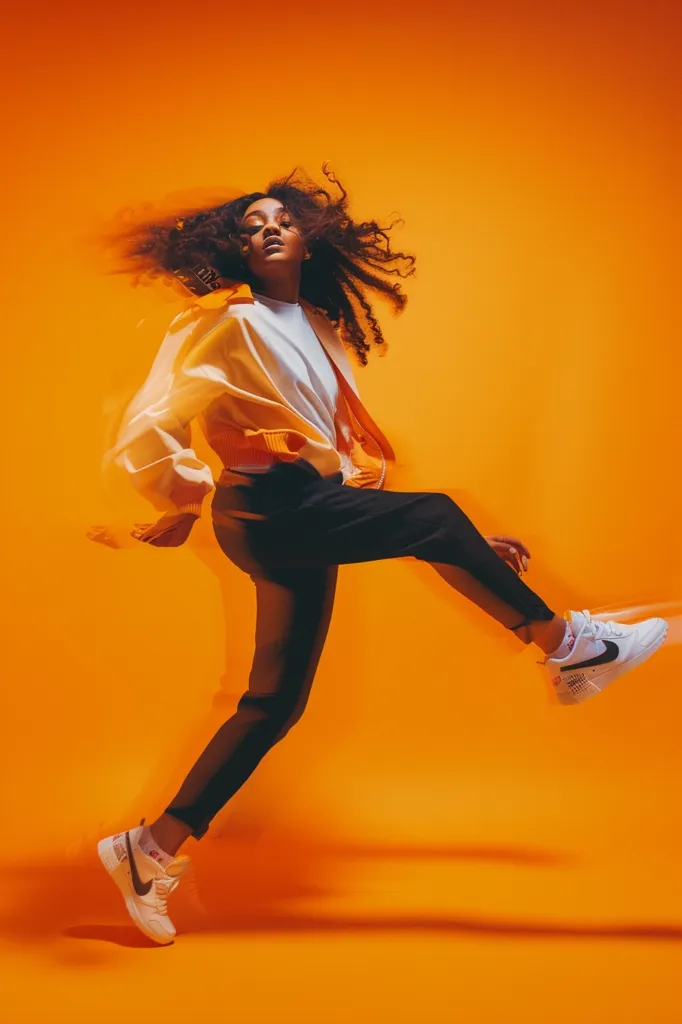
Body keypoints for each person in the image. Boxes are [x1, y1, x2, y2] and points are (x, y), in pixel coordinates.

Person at [89, 166, 667, 945]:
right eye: (252, 224)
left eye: (282, 220)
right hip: (266, 509)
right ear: (235, 248)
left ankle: (148, 850)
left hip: (306, 508)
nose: (269, 228)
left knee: (273, 705)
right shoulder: (223, 322)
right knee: (435, 515)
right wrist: (181, 497)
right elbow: (153, 418)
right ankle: (570, 649)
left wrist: (462, 547)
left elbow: (335, 450)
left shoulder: (314, 324)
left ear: (308, 242)